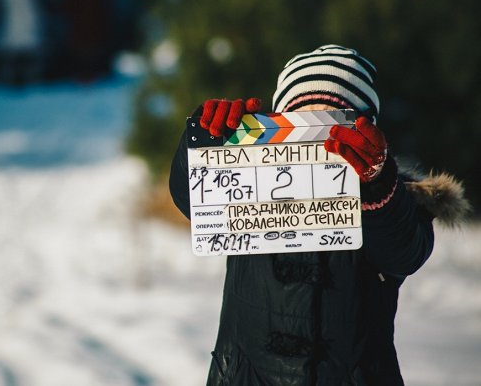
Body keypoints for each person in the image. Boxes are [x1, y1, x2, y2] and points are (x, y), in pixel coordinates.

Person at [168, 45, 469, 385]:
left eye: (331, 120)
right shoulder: (248, 183)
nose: (313, 138)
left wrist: (376, 187)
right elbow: (189, 197)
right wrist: (202, 147)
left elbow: (404, 252)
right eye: (302, 116)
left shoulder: (395, 198)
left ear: (365, 129)